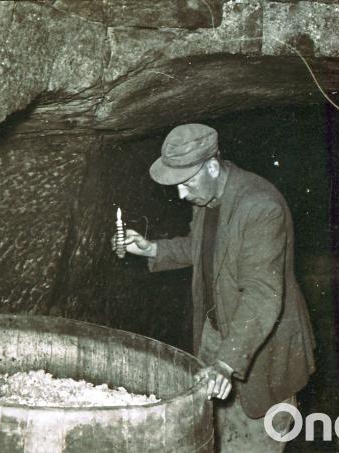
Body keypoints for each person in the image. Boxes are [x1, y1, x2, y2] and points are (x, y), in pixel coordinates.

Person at [114, 124, 316, 452]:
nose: (181, 195)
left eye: (186, 184)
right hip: (215, 332)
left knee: (254, 440)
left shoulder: (260, 206)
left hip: (260, 346)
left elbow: (263, 295)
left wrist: (225, 363)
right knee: (213, 436)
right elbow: (203, 247)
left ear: (211, 166)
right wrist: (151, 249)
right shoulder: (207, 197)